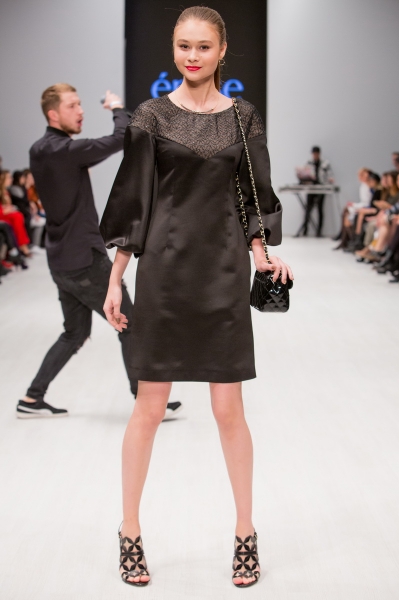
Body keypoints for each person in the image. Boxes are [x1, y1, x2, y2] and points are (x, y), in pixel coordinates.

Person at [100, 6, 293, 589]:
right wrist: (116, 277)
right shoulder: (151, 116)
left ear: (222, 50)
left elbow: (253, 194)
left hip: (222, 272)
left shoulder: (242, 117)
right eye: (184, 45)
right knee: (149, 407)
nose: (192, 56)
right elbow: (134, 199)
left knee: (229, 411)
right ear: (174, 48)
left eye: (203, 46)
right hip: (164, 272)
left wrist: (263, 256)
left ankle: (245, 532)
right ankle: (129, 530)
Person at [16, 83, 182, 420]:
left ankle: (32, 398)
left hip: (61, 259)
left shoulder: (38, 150)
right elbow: (123, 136)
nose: (80, 111)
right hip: (84, 260)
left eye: (80, 104)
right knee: (130, 323)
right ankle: (146, 401)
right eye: (72, 106)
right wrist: (117, 107)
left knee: (75, 333)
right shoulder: (66, 150)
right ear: (53, 114)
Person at [301, 146, 334, 237]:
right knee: (308, 209)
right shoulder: (308, 163)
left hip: (321, 188)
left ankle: (319, 231)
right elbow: (304, 174)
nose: (315, 155)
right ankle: (305, 230)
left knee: (320, 209)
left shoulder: (325, 163)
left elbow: (330, 175)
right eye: (313, 153)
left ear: (319, 153)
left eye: (316, 153)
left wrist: (330, 180)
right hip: (311, 188)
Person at [0, 170, 31, 256]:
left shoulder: (6, 191)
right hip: (2, 214)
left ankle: (21, 246)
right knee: (17, 217)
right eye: (8, 178)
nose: (11, 179)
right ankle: (21, 246)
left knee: (18, 216)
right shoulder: (6, 191)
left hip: (5, 213)